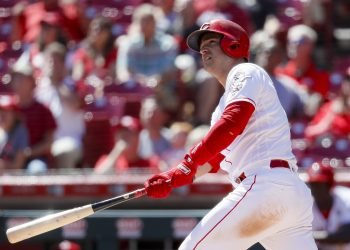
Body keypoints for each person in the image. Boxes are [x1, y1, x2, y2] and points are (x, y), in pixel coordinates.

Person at [143, 19, 317, 249]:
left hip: (265, 184)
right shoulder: (222, 106)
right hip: (286, 193)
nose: (203, 49)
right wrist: (175, 176)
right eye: (201, 46)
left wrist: (188, 162)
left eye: (211, 42)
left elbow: (233, 122)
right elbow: (216, 159)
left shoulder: (246, 71)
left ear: (233, 46)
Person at [307, 162, 350, 250]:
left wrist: (312, 236)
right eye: (313, 185)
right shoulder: (305, 206)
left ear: (329, 185)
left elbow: (347, 235)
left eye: (319, 185)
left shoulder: (346, 198)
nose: (315, 189)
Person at [0, 95, 29, 171]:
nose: (2, 115)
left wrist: (3, 165)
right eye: (1, 111)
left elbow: (17, 166)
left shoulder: (20, 132)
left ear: (15, 115)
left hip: (16, 178)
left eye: (7, 111)